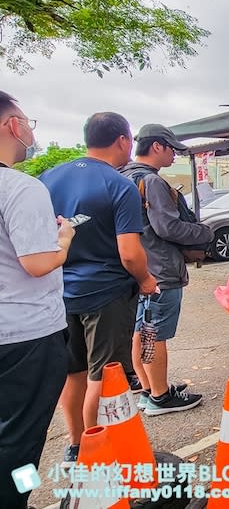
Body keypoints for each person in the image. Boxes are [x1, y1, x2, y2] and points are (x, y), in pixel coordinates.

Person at [40, 112, 157, 467]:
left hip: (59, 292)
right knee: (103, 377)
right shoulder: (118, 185)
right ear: (122, 140)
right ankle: (97, 451)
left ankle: (76, 445)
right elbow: (130, 253)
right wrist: (145, 280)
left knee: (73, 373)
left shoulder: (46, 179)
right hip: (105, 294)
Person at [0, 91, 75, 509]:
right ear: (13, 125)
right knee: (21, 441)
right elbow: (37, 263)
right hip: (25, 337)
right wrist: (63, 240)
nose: (30, 130)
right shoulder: (19, 186)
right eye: (28, 121)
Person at [120, 124, 212, 415]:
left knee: (143, 330)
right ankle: (160, 396)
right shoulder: (153, 182)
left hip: (137, 269)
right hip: (160, 270)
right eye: (171, 148)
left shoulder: (124, 177)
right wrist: (204, 232)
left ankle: (149, 390)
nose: (174, 155)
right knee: (154, 333)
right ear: (157, 146)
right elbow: (167, 226)